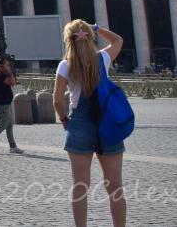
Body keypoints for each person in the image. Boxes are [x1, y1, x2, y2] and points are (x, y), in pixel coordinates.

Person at [54, 20, 127, 227]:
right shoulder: (103, 58)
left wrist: (64, 119)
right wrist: (97, 29)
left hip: (79, 125)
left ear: (68, 40)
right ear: (89, 37)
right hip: (107, 123)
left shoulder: (65, 65)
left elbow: (57, 100)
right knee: (115, 186)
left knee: (80, 186)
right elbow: (118, 40)